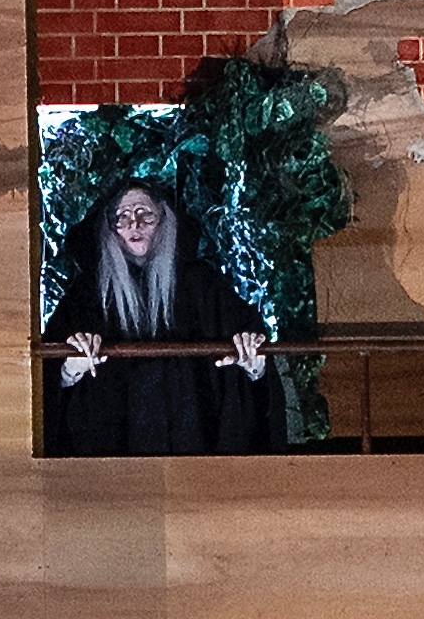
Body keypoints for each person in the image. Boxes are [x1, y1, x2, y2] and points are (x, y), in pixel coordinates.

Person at [44, 183, 281, 455]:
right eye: (122, 216)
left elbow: (251, 352)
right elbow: (49, 378)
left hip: (195, 445)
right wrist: (69, 369)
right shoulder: (87, 295)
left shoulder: (203, 285)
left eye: (145, 214)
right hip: (112, 454)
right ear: (109, 228)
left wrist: (252, 362)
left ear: (164, 220)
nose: (134, 224)